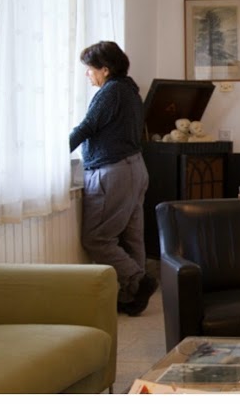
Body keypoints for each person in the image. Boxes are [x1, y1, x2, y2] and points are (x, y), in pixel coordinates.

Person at [69, 41, 155, 315]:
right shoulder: (130, 90)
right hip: (135, 167)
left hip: (114, 171)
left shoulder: (111, 91)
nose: (87, 74)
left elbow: (87, 127)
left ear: (105, 69)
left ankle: (139, 281)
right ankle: (132, 297)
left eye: (90, 69)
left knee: (97, 239)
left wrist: (55, 154)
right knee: (132, 236)